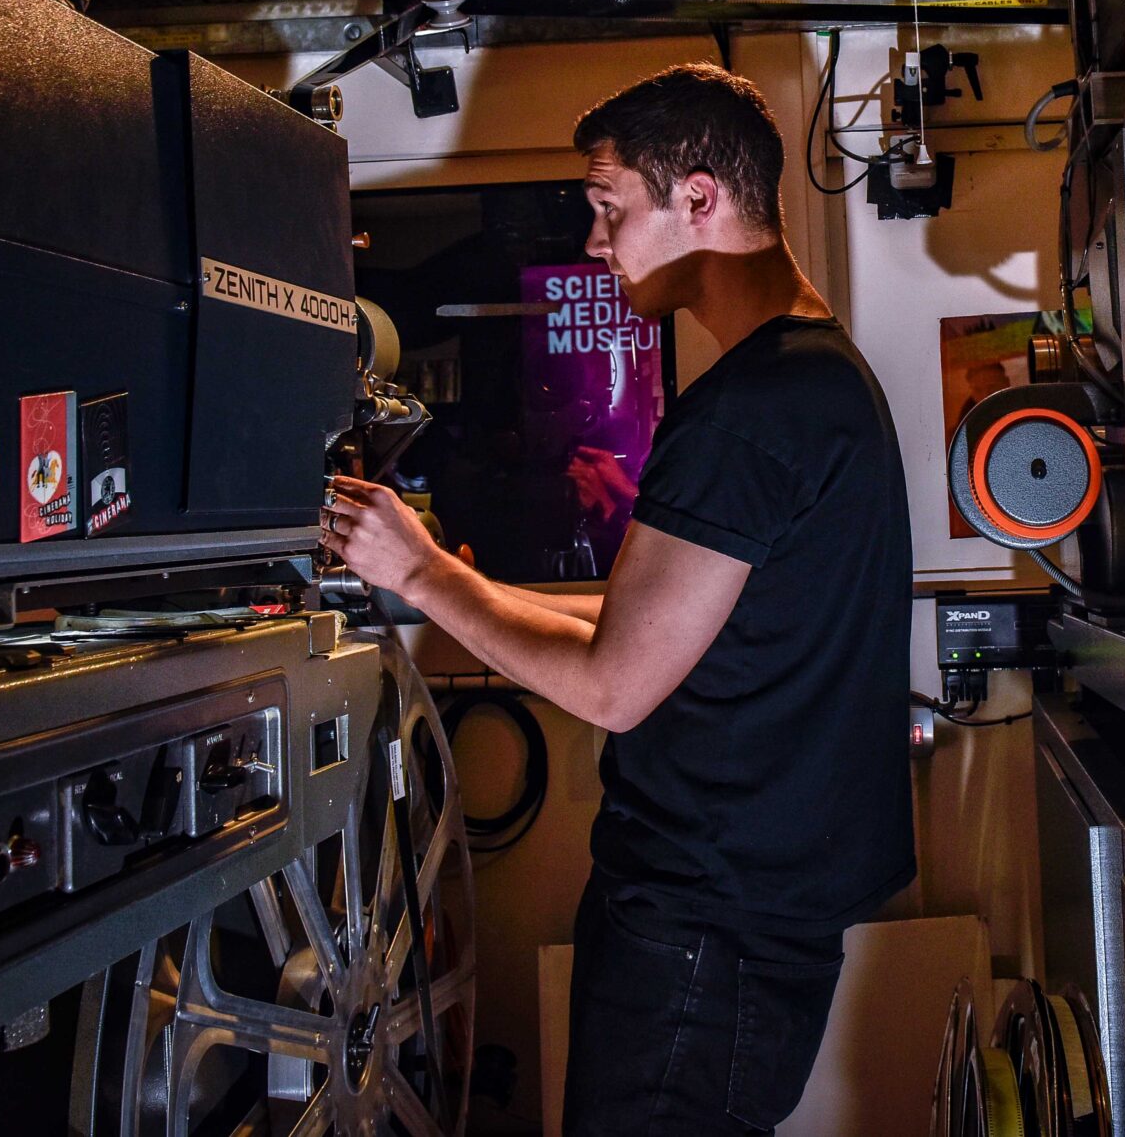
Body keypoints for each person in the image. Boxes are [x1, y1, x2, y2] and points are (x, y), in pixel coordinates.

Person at [324, 63, 915, 1135]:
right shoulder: (812, 381)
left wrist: (419, 572)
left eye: (607, 209)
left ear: (698, 197)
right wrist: (459, 584)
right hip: (740, 916)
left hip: (706, 929)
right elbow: (650, 633)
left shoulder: (754, 409)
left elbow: (615, 686)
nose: (594, 243)